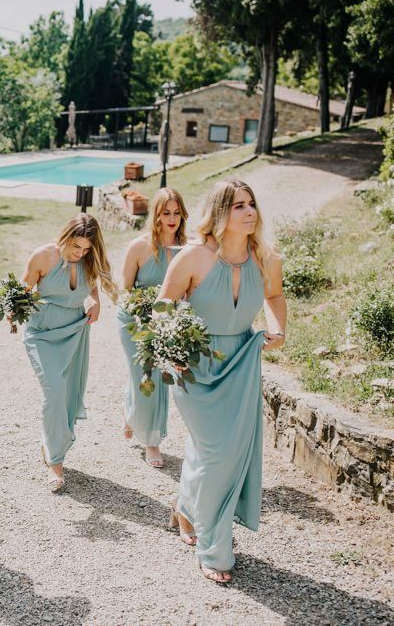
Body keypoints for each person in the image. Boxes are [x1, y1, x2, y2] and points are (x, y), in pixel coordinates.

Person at [158, 179, 286, 583]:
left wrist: (278, 326)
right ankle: (214, 550)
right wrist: (170, 349)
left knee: (218, 450)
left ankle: (187, 508)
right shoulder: (194, 257)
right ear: (219, 213)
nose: (250, 212)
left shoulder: (265, 257)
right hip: (194, 363)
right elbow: (164, 305)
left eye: (252, 204)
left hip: (242, 360)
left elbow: (276, 295)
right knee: (216, 451)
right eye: (238, 206)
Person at [22, 213, 118, 492]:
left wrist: (96, 303)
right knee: (53, 389)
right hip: (42, 333)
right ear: (65, 236)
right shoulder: (42, 256)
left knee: (66, 392)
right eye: (76, 247)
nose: (81, 253)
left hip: (75, 331)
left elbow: (94, 287)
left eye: (87, 249)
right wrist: (12, 309)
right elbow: (21, 292)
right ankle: (55, 462)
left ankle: (52, 447)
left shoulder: (88, 261)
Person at [117, 188, 188, 468]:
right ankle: (148, 436)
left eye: (176, 213)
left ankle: (141, 425)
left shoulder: (188, 249)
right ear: (156, 215)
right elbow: (125, 290)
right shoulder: (139, 247)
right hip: (134, 321)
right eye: (165, 213)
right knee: (143, 376)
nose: (172, 219)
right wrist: (140, 313)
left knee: (159, 380)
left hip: (168, 323)